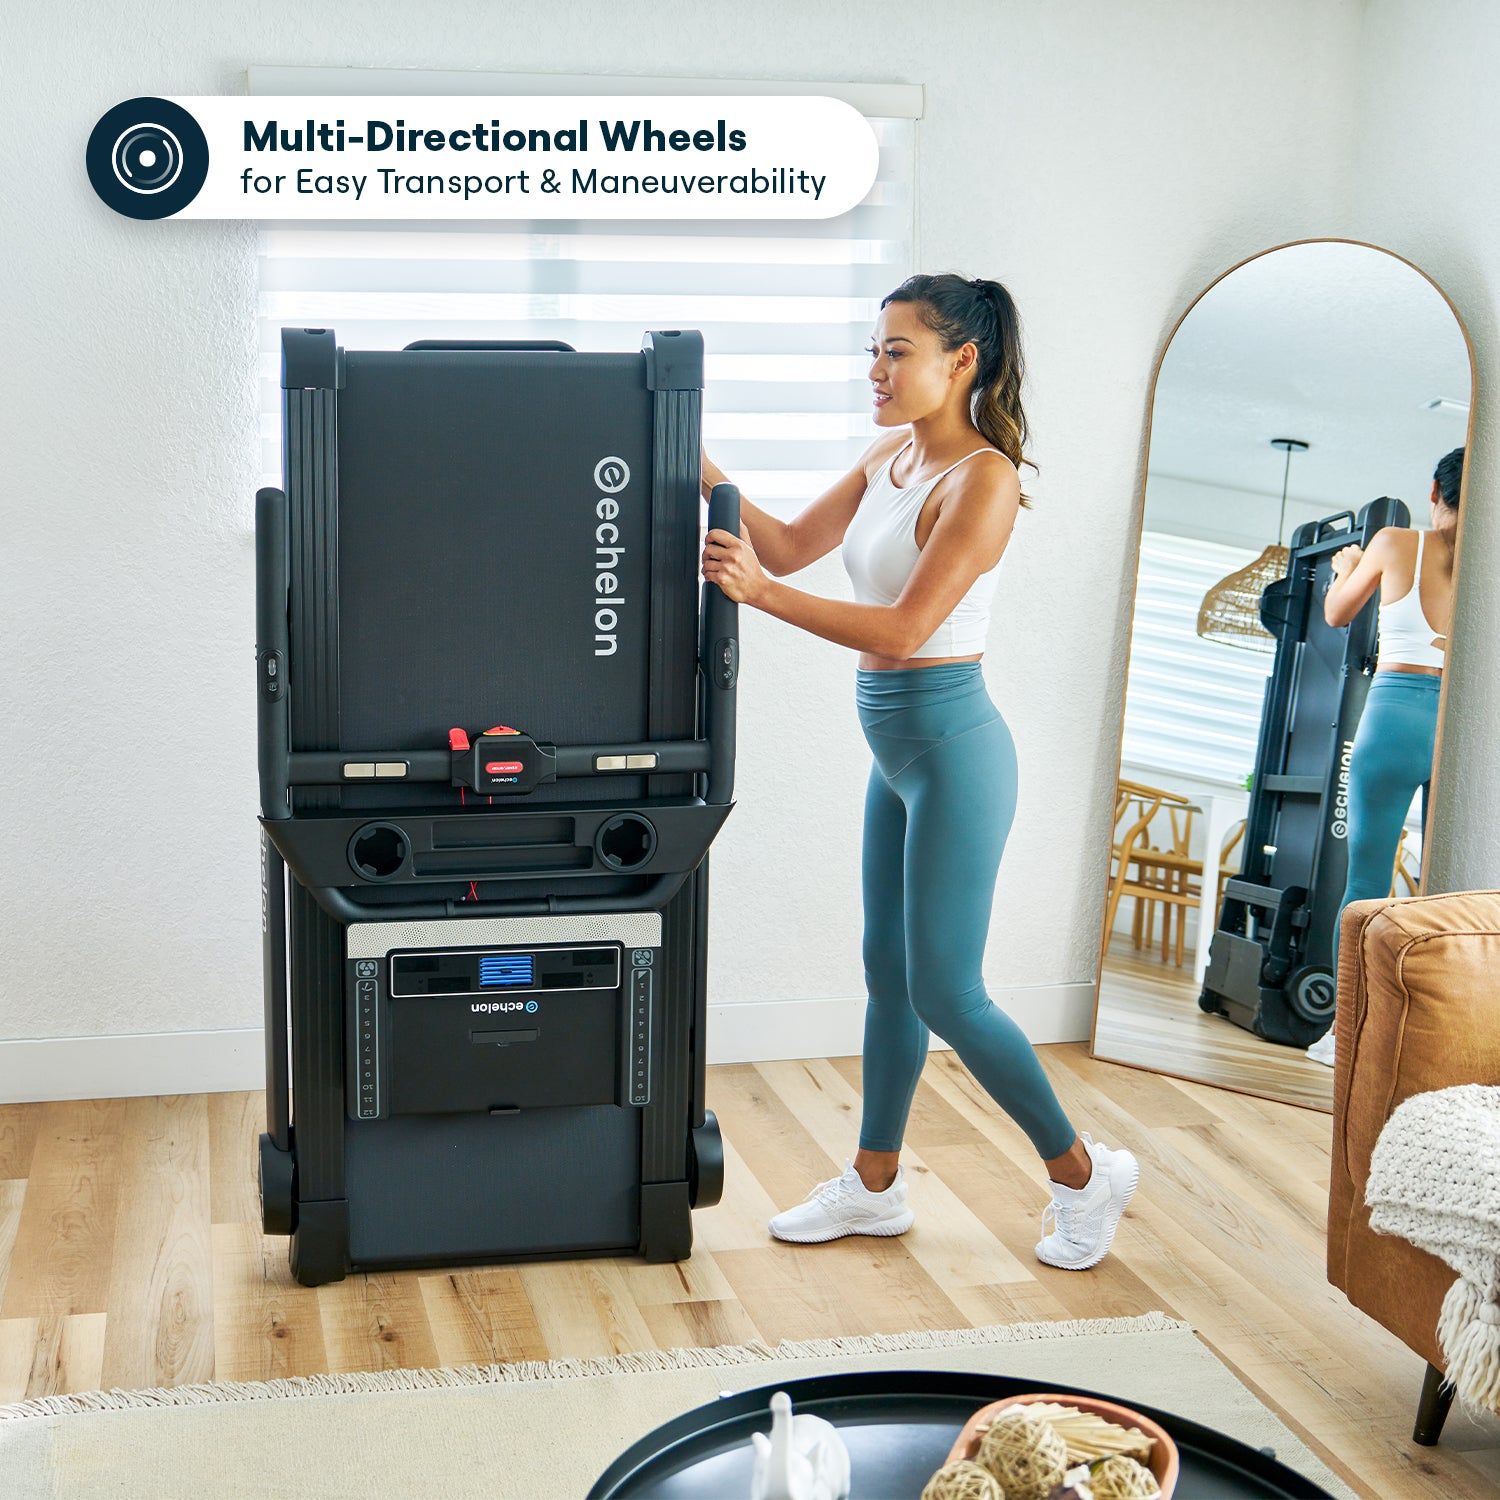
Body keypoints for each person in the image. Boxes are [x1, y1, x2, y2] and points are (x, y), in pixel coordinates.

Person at [700, 273, 1138, 1270]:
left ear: (962, 361)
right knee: (885, 975)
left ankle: (1082, 1177)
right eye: (876, 349)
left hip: (952, 753)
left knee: (946, 989)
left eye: (898, 351)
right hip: (895, 757)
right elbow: (790, 544)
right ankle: (874, 1184)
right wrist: (693, 451)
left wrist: (759, 598)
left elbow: (902, 632)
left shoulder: (984, 480)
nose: (878, 369)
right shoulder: (889, 455)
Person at [1309, 446, 1465, 1066]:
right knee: (1447, 890)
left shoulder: (1397, 542)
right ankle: (1435, 1040)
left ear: (1435, 490)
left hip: (1395, 715)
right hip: (1463, 726)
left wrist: (1345, 567)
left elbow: (1337, 613)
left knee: (1367, 881)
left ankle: (1341, 1035)